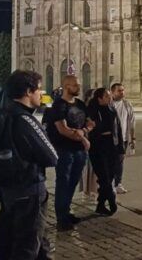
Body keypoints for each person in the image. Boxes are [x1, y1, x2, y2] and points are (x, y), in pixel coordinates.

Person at [0, 71, 58, 259]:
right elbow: (52, 156)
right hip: (29, 193)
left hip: (6, 192)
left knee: (9, 242)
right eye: (39, 89)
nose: (41, 94)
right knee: (27, 247)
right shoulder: (24, 119)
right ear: (28, 92)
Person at [49, 75, 93, 231]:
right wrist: (82, 137)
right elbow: (63, 129)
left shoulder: (80, 104)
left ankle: (66, 211)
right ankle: (61, 218)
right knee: (63, 183)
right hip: (64, 151)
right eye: (76, 85)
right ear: (67, 86)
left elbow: (90, 122)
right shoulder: (59, 106)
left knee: (73, 182)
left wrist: (82, 131)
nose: (79, 88)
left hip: (80, 151)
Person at [87, 88, 124, 215]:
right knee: (104, 177)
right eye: (107, 96)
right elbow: (93, 129)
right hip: (97, 146)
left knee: (111, 175)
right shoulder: (92, 111)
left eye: (110, 96)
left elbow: (117, 128)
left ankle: (101, 204)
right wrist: (99, 127)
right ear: (99, 99)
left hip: (111, 145)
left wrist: (121, 148)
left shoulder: (111, 109)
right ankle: (112, 200)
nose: (110, 98)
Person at [111, 83, 136, 194]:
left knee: (120, 161)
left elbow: (132, 122)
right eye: (119, 91)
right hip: (110, 139)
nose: (122, 93)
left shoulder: (127, 104)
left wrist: (133, 138)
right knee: (110, 161)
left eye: (123, 90)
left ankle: (118, 184)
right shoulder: (109, 104)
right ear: (112, 92)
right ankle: (110, 183)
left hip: (123, 139)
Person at [79, 89, 98, 199]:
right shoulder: (83, 110)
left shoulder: (96, 110)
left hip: (95, 142)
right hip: (85, 141)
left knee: (94, 168)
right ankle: (85, 191)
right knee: (85, 167)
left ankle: (93, 190)